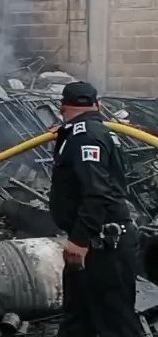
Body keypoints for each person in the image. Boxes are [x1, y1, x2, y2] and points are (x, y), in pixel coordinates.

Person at [49, 81, 140, 337]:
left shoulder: (85, 135)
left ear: (61, 107)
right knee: (78, 319)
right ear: (97, 105)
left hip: (102, 243)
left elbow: (96, 192)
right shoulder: (89, 131)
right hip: (96, 241)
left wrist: (79, 239)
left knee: (116, 322)